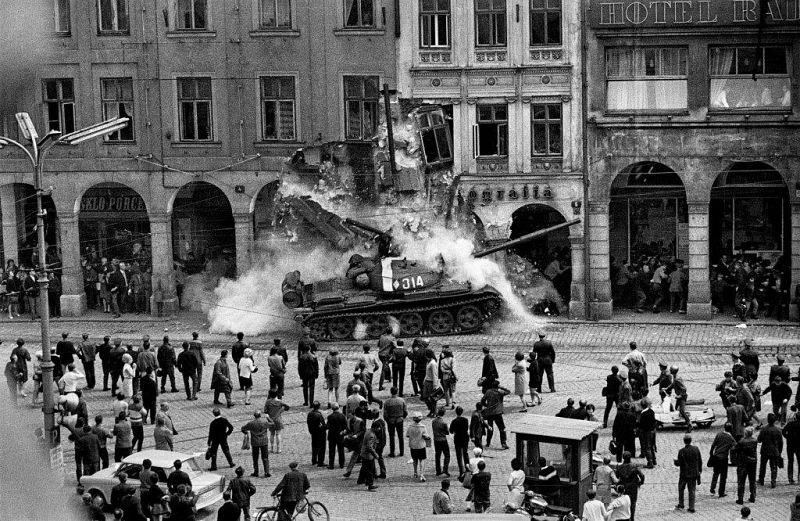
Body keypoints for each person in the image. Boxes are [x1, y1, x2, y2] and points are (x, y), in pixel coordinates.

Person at [241, 411, 274, 478]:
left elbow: (243, 428)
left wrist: (245, 432)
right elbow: (272, 423)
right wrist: (268, 417)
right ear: (260, 415)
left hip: (255, 442)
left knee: (255, 458)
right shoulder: (264, 422)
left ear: (254, 416)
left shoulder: (251, 423)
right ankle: (267, 472)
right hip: (264, 441)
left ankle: (256, 472)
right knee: (265, 457)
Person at [675, 434, 701, 513]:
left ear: (684, 441)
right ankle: (691, 507)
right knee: (692, 490)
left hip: (684, 474)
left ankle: (681, 503)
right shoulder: (696, 449)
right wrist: (699, 471)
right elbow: (700, 460)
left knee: (681, 488)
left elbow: (679, 463)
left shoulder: (682, 451)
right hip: (693, 474)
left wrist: (675, 461)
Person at [709, 422, 736, 498]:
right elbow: (735, 447)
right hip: (724, 458)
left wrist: (711, 453)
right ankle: (721, 492)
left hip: (716, 456)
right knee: (723, 476)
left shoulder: (719, 434)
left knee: (716, 473)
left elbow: (713, 444)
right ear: (731, 429)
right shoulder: (730, 438)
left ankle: (712, 488)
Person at [757, 412, 783, 488]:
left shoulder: (764, 429)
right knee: (774, 467)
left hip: (765, 450)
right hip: (774, 451)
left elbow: (759, 440)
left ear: (768, 420)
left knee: (763, 466)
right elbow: (781, 442)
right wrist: (780, 452)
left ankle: (761, 480)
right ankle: (773, 481)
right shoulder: (778, 430)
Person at [482, 380, 510, 450]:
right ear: (497, 386)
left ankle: (488, 443)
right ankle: (503, 443)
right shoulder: (499, 392)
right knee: (502, 428)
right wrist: (502, 387)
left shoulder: (488, 392)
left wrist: (487, 405)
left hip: (489, 413)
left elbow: (482, 400)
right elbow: (508, 391)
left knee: (490, 428)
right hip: (498, 413)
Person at [734, 426, 758, 505]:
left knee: (741, 481)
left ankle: (740, 498)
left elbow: (735, 449)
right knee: (752, 480)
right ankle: (753, 496)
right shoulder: (755, 440)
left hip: (743, 463)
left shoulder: (742, 441)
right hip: (752, 462)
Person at [666, 365, 692, 432]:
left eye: (670, 369)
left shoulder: (677, 379)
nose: (669, 370)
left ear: (672, 371)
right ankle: (681, 421)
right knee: (676, 408)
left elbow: (684, 388)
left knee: (682, 411)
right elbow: (673, 384)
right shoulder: (675, 377)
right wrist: (667, 388)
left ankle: (689, 423)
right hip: (679, 396)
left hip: (682, 397)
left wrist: (680, 396)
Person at [383, 387, 407, 457]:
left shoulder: (387, 402)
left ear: (391, 392)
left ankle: (392, 452)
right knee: (401, 436)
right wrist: (403, 417)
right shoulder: (401, 400)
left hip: (391, 420)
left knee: (391, 436)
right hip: (399, 419)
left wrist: (387, 420)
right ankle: (401, 452)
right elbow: (405, 411)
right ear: (397, 392)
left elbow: (385, 414)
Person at [407, 411, 431, 482]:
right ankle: (422, 474)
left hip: (413, 445)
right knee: (422, 460)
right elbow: (426, 436)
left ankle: (415, 472)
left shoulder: (410, 427)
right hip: (421, 445)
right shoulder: (422, 427)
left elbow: (407, 435)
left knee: (414, 460)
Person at [357, 419, 380, 491]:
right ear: (375, 428)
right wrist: (375, 454)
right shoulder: (371, 435)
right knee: (371, 470)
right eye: (378, 428)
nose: (379, 429)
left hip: (364, 453)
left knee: (364, 468)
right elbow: (369, 447)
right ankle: (370, 484)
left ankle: (360, 480)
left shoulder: (368, 431)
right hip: (368, 455)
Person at [449, 405, 470, 476]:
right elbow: (467, 428)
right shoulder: (466, 420)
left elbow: (451, 431)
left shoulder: (454, 421)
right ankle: (467, 468)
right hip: (465, 438)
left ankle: (461, 470)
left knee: (459, 455)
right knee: (465, 453)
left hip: (457, 438)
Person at [326, 402, 347, 469]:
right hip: (340, 435)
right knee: (341, 450)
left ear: (332, 409)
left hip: (332, 436)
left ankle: (331, 464)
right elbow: (346, 426)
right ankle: (341, 464)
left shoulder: (330, 417)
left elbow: (328, 426)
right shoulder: (342, 416)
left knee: (332, 451)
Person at [307, 400, 327, 467]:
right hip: (320, 433)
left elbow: (308, 423)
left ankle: (314, 460)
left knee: (314, 446)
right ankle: (320, 461)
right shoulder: (319, 414)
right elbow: (323, 425)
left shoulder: (310, 414)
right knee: (321, 447)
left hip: (313, 432)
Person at [432, 406, 450, 477]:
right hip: (443, 440)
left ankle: (438, 470)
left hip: (436, 440)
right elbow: (447, 432)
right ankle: (445, 469)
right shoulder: (444, 423)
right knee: (447, 455)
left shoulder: (433, 421)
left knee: (437, 455)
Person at [638, 398, 657, 468]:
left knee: (647, 447)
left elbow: (642, 425)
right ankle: (654, 460)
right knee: (652, 445)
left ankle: (650, 462)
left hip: (647, 432)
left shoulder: (643, 414)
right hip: (653, 430)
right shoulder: (651, 411)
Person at [377, 326, 396, 391]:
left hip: (380, 354)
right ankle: (380, 386)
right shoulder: (392, 338)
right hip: (386, 355)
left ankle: (389, 378)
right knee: (384, 370)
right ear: (391, 331)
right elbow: (395, 346)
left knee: (386, 365)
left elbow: (378, 345)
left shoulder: (381, 336)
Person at [784, 410, 800, 484]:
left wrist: (787, 437)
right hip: (798, 445)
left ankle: (790, 478)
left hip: (790, 444)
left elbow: (783, 431)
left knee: (790, 461)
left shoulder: (790, 424)